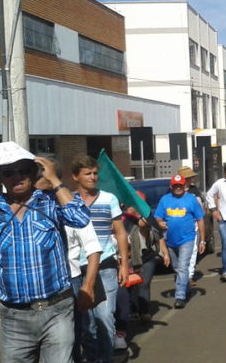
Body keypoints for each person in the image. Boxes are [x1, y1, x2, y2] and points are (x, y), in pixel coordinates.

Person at [0, 151, 90, 362]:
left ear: (34, 173)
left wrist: (53, 179)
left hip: (57, 311)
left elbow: (80, 218)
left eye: (23, 171)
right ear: (0, 177)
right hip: (14, 319)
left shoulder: (51, 203)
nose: (17, 177)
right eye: (9, 173)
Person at [34, 161, 102, 361]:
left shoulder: (71, 208)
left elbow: (93, 249)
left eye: (39, 179)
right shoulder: (23, 210)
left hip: (70, 283)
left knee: (80, 335)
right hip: (39, 288)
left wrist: (88, 286)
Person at [71, 155, 131, 363]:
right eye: (87, 173)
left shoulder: (109, 199)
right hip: (77, 269)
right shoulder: (68, 201)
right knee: (87, 324)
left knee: (104, 318)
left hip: (105, 265)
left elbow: (121, 232)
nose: (93, 177)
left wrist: (124, 264)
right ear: (75, 177)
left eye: (95, 173)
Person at [154, 174, 206, 309]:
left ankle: (180, 296)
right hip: (170, 241)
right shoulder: (165, 200)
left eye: (180, 186)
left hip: (187, 239)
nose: (178, 188)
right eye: (175, 186)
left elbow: (200, 219)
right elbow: (158, 218)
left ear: (184, 186)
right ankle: (186, 287)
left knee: (183, 268)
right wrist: (160, 224)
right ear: (172, 186)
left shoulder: (191, 200)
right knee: (177, 268)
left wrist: (203, 241)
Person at [122, 191, 168, 323]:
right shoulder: (123, 219)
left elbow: (159, 236)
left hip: (147, 257)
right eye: (134, 204)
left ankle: (144, 311)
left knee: (144, 283)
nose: (135, 206)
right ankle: (133, 309)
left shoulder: (148, 218)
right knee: (131, 286)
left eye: (139, 203)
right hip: (130, 257)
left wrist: (165, 253)